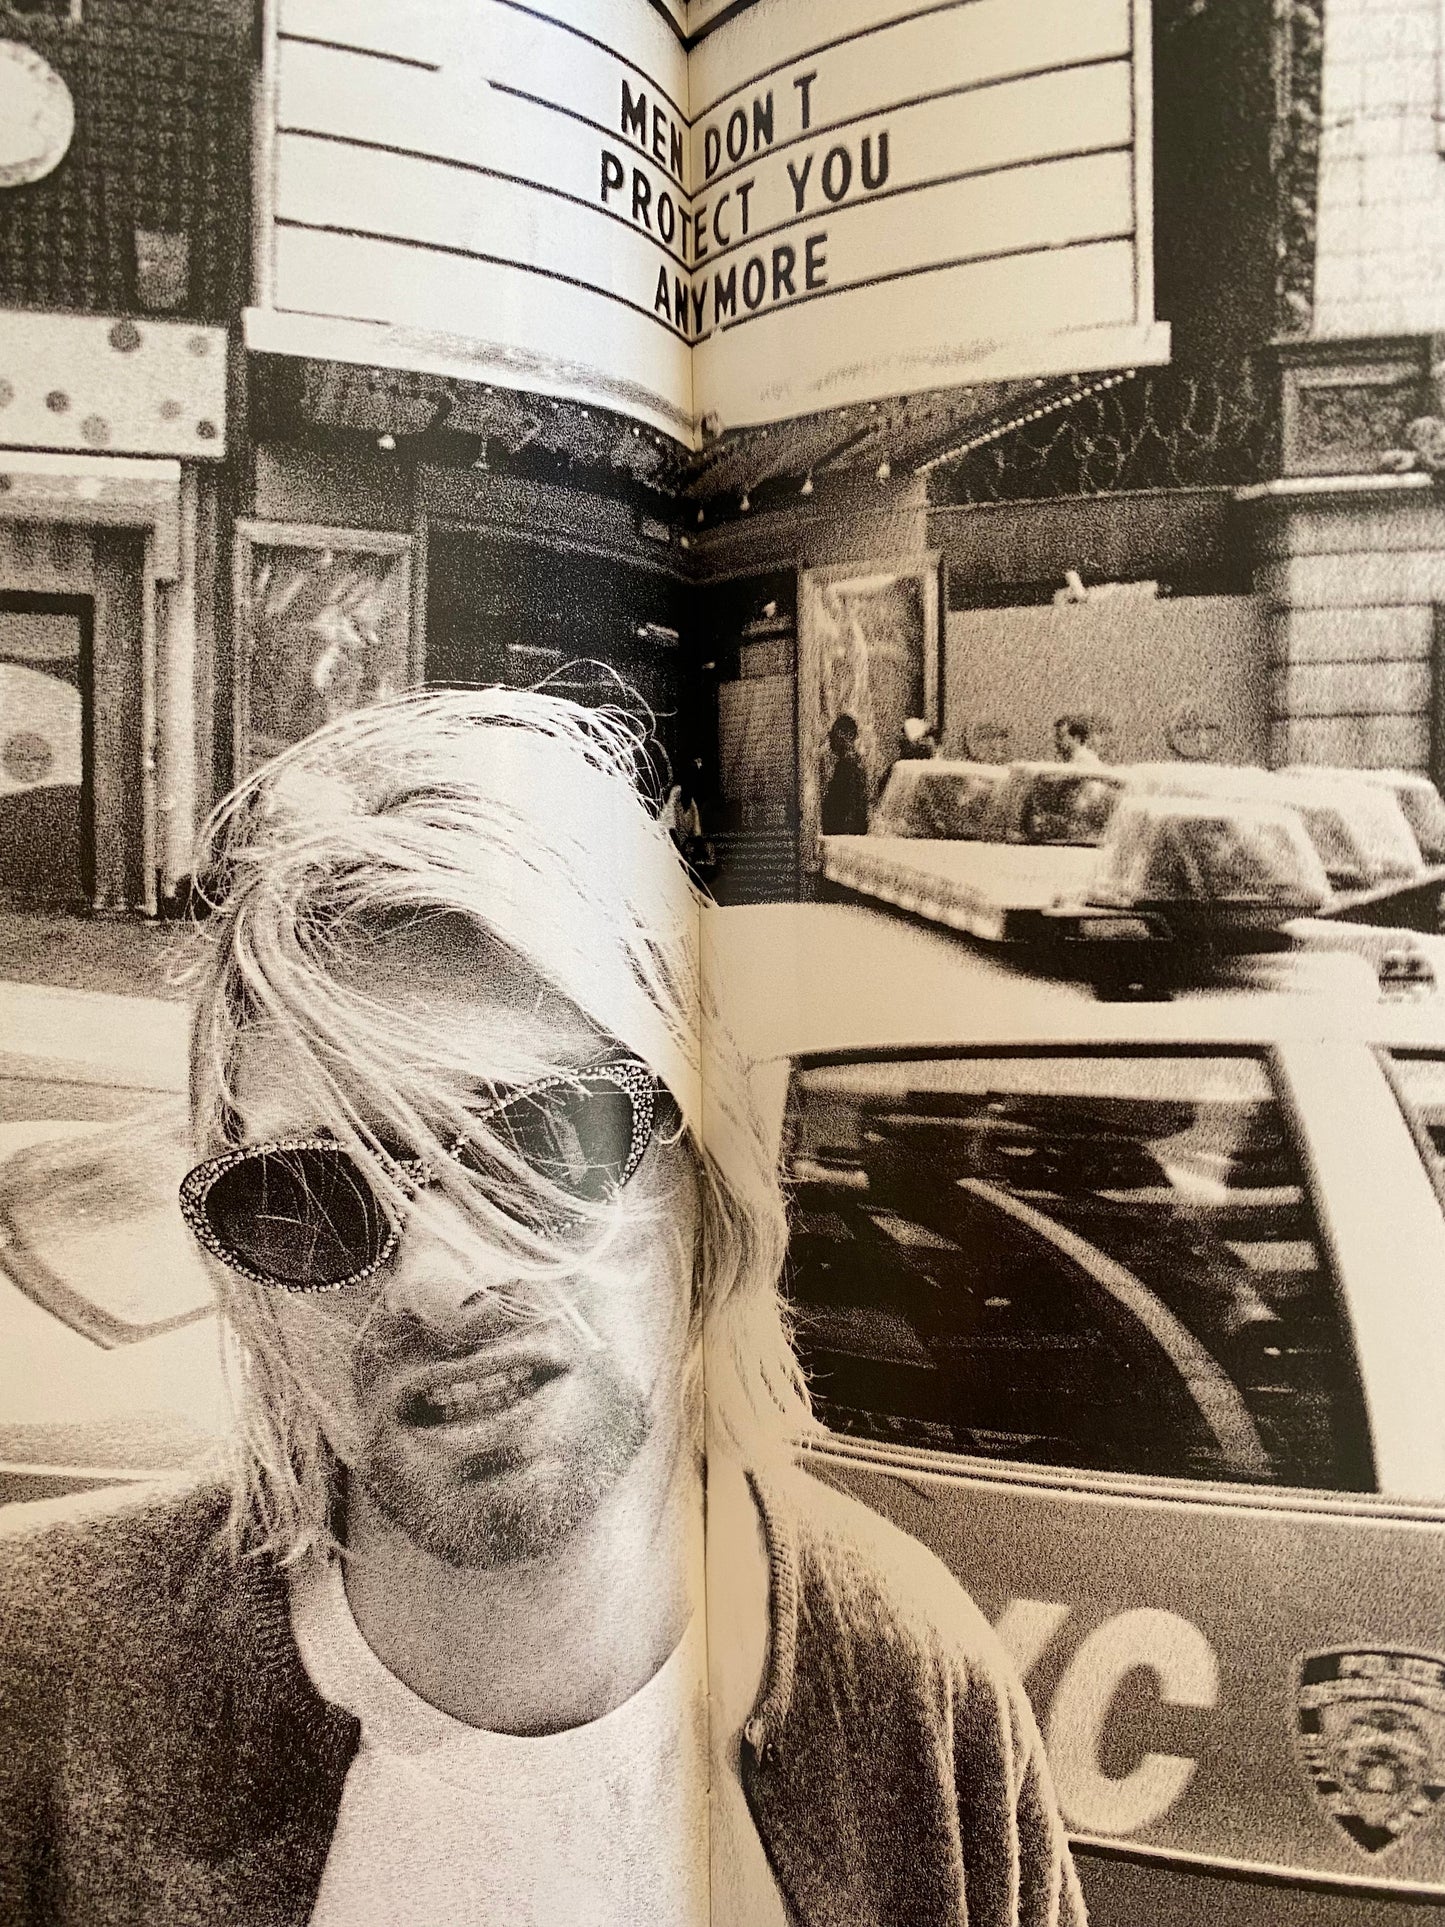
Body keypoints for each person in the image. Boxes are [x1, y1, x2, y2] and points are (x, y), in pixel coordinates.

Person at [0, 688, 1084, 1927]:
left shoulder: (906, 1682)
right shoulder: (38, 1682)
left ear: (702, 1171)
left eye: (537, 1143)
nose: (437, 1276)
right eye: (306, 1198)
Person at [820, 711, 870, 835]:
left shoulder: (850, 763)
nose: (830, 739)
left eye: (833, 734)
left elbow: (854, 802)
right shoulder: (847, 762)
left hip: (845, 828)